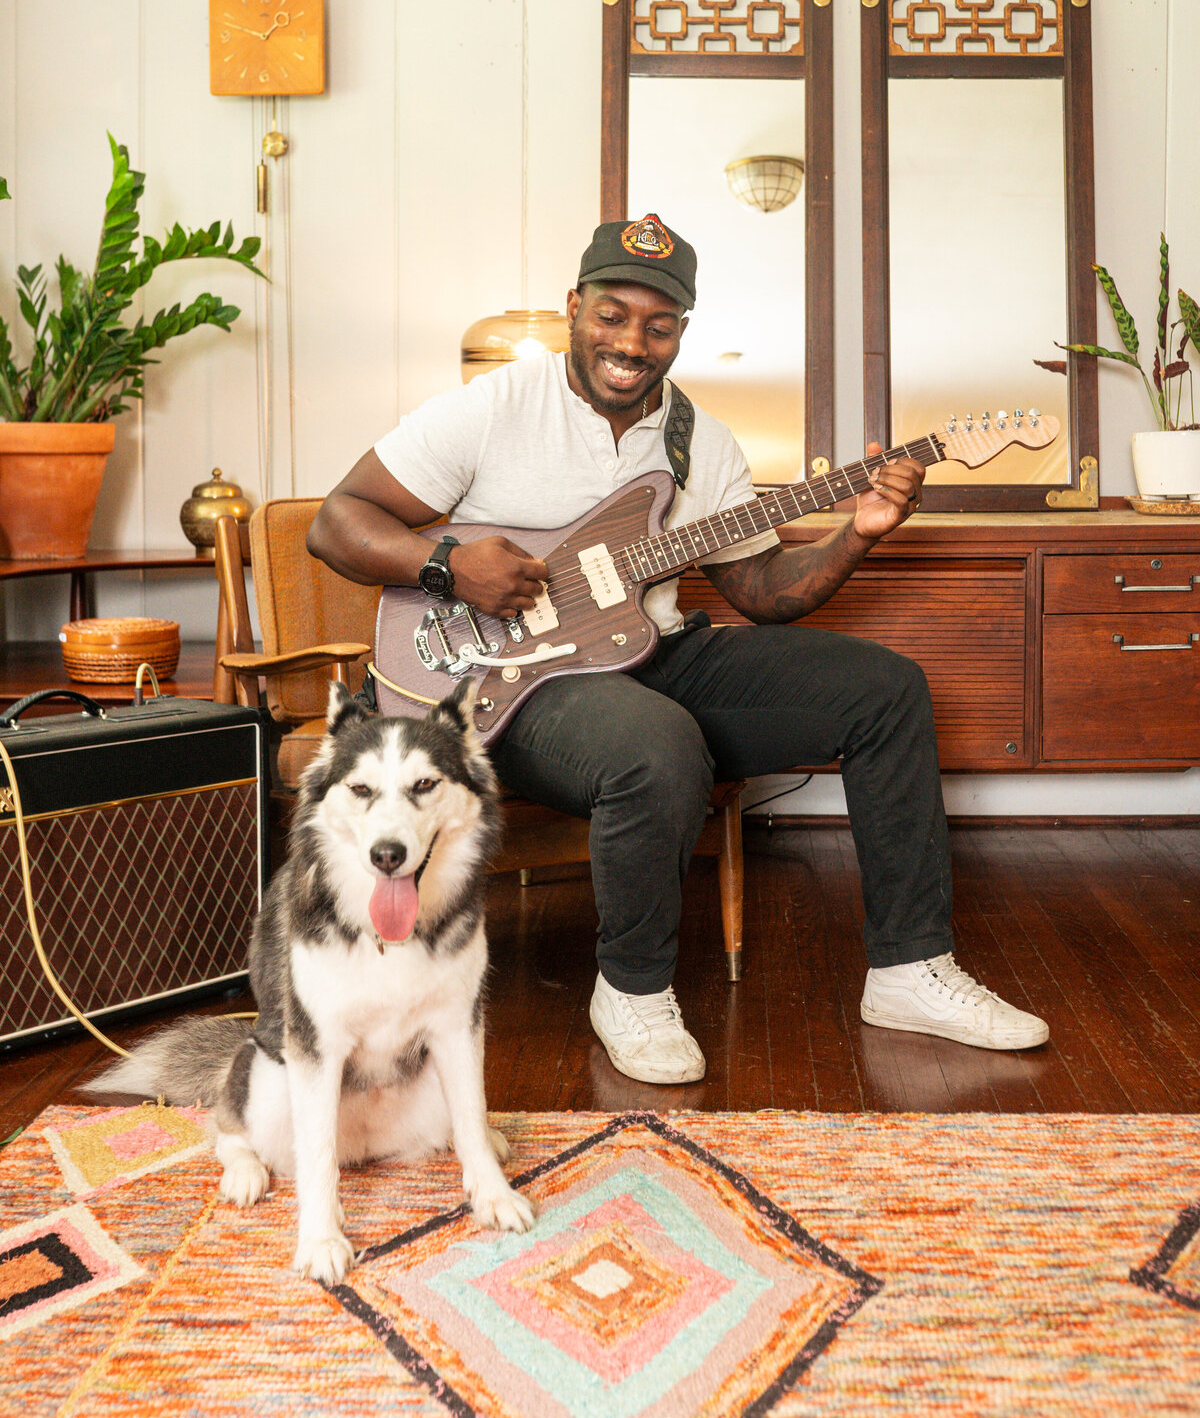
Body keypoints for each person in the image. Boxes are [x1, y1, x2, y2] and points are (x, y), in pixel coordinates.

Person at [308, 216, 1049, 1086]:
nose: (631, 342)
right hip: (506, 681)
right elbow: (337, 522)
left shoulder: (702, 444)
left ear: (682, 333)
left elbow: (764, 594)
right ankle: (632, 989)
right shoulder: (492, 408)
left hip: (647, 649)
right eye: (612, 314)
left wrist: (860, 532)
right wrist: (448, 565)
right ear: (575, 307)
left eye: (657, 326)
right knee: (655, 744)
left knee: (885, 689)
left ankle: (909, 970)